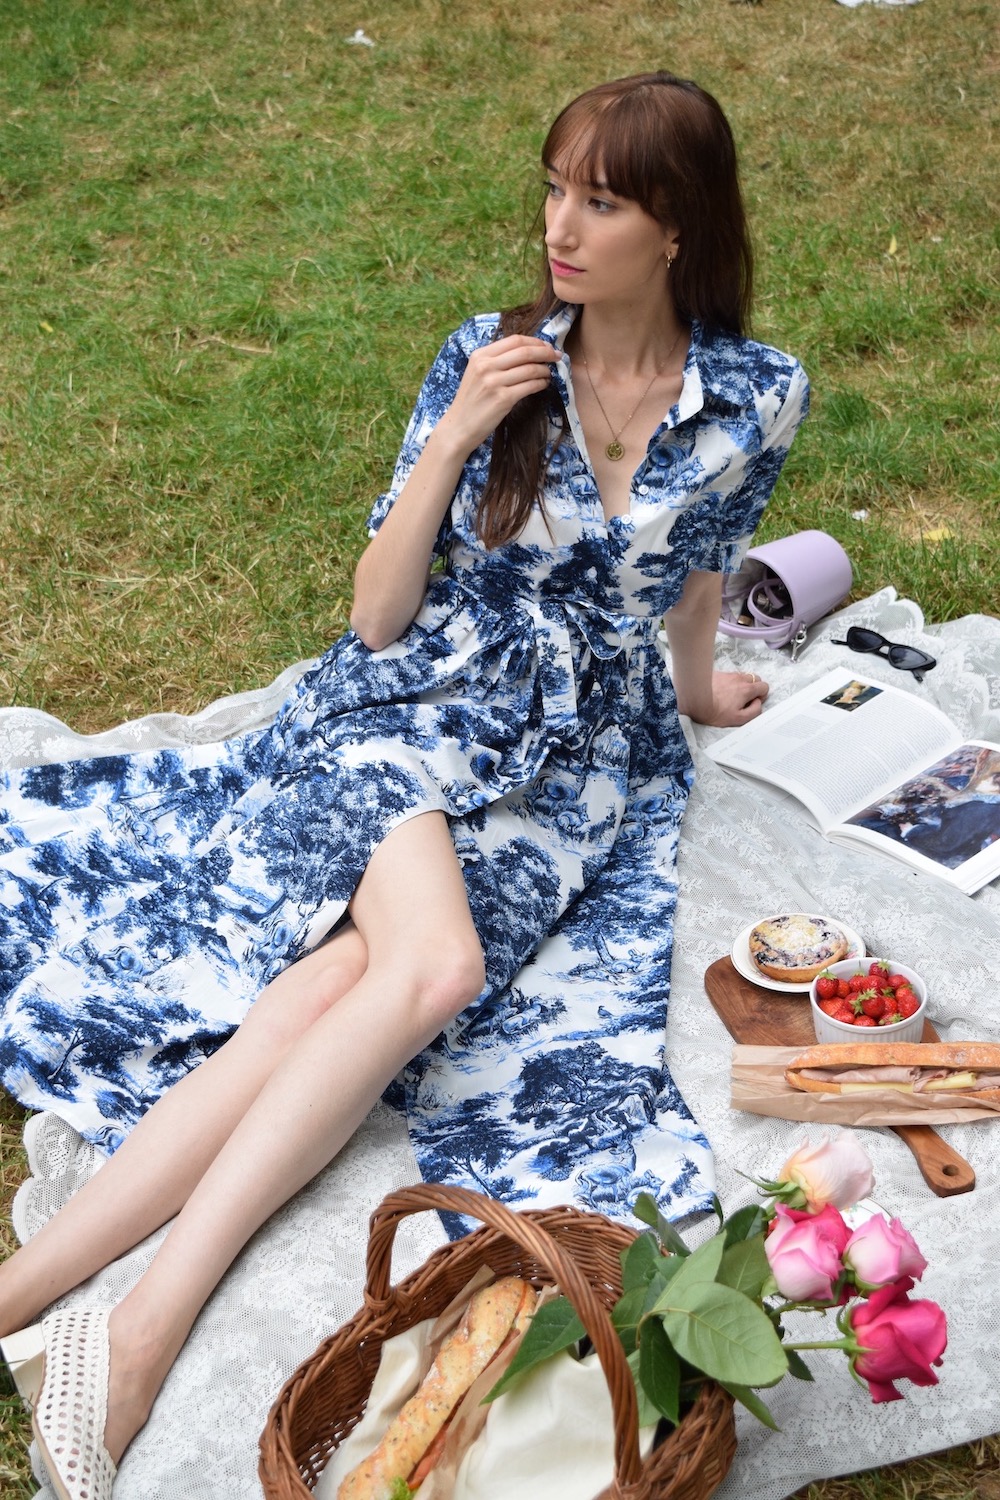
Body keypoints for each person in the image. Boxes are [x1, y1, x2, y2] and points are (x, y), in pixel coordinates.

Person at [0, 71, 808, 1499]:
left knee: (340, 990)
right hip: (410, 703)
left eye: (602, 201)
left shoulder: (758, 397)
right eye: (555, 187)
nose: (560, 225)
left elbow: (697, 572)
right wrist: (453, 438)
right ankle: (131, 1341)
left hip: (578, 762)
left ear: (677, 228)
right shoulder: (483, 356)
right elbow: (377, 615)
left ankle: (28, 1300)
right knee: (431, 974)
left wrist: (695, 693)